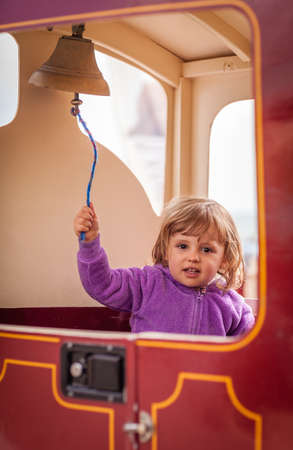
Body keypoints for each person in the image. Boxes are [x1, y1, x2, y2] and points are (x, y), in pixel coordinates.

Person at [73, 197, 255, 336]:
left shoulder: (233, 306)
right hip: (150, 381)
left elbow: (250, 350)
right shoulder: (146, 283)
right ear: (166, 250)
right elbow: (102, 285)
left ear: (224, 259)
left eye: (206, 249)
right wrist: (89, 243)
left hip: (201, 384)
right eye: (183, 246)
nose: (193, 257)